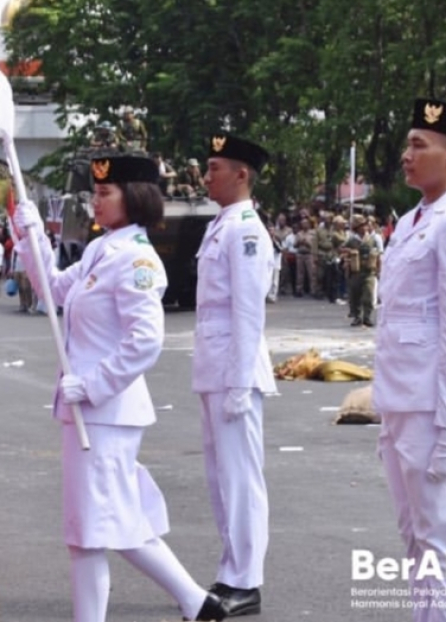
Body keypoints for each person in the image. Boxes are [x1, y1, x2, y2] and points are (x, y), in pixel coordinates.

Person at [11, 155, 227, 622]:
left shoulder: (136, 258)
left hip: (105, 410)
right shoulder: (101, 250)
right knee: (115, 520)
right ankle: (198, 603)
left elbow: (145, 341)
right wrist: (31, 240)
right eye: (96, 191)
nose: (96, 200)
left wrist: (91, 385)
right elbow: (52, 290)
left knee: (88, 532)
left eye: (105, 193)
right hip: (91, 410)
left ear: (135, 197)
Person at [373, 98, 446, 622]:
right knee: (417, 540)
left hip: (437, 408)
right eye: (407, 143)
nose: (406, 154)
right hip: (403, 400)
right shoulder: (411, 221)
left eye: (419, 145)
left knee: (445, 542)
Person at [193, 134, 276, 617]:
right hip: (215, 366)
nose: (207, 176)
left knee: (241, 478)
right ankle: (231, 571)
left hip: (234, 372)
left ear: (241, 174)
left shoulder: (247, 230)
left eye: (215, 167)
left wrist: (242, 382)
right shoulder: (222, 225)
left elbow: (249, 314)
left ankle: (246, 579)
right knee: (221, 479)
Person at [343, 214, 379, 327]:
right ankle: (357, 317)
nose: (364, 228)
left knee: (368, 294)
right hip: (356, 271)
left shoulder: (373, 239)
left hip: (369, 271)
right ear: (357, 228)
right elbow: (341, 249)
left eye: (365, 225)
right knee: (355, 295)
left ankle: (367, 317)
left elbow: (379, 254)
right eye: (361, 226)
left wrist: (379, 270)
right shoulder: (352, 240)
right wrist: (349, 251)